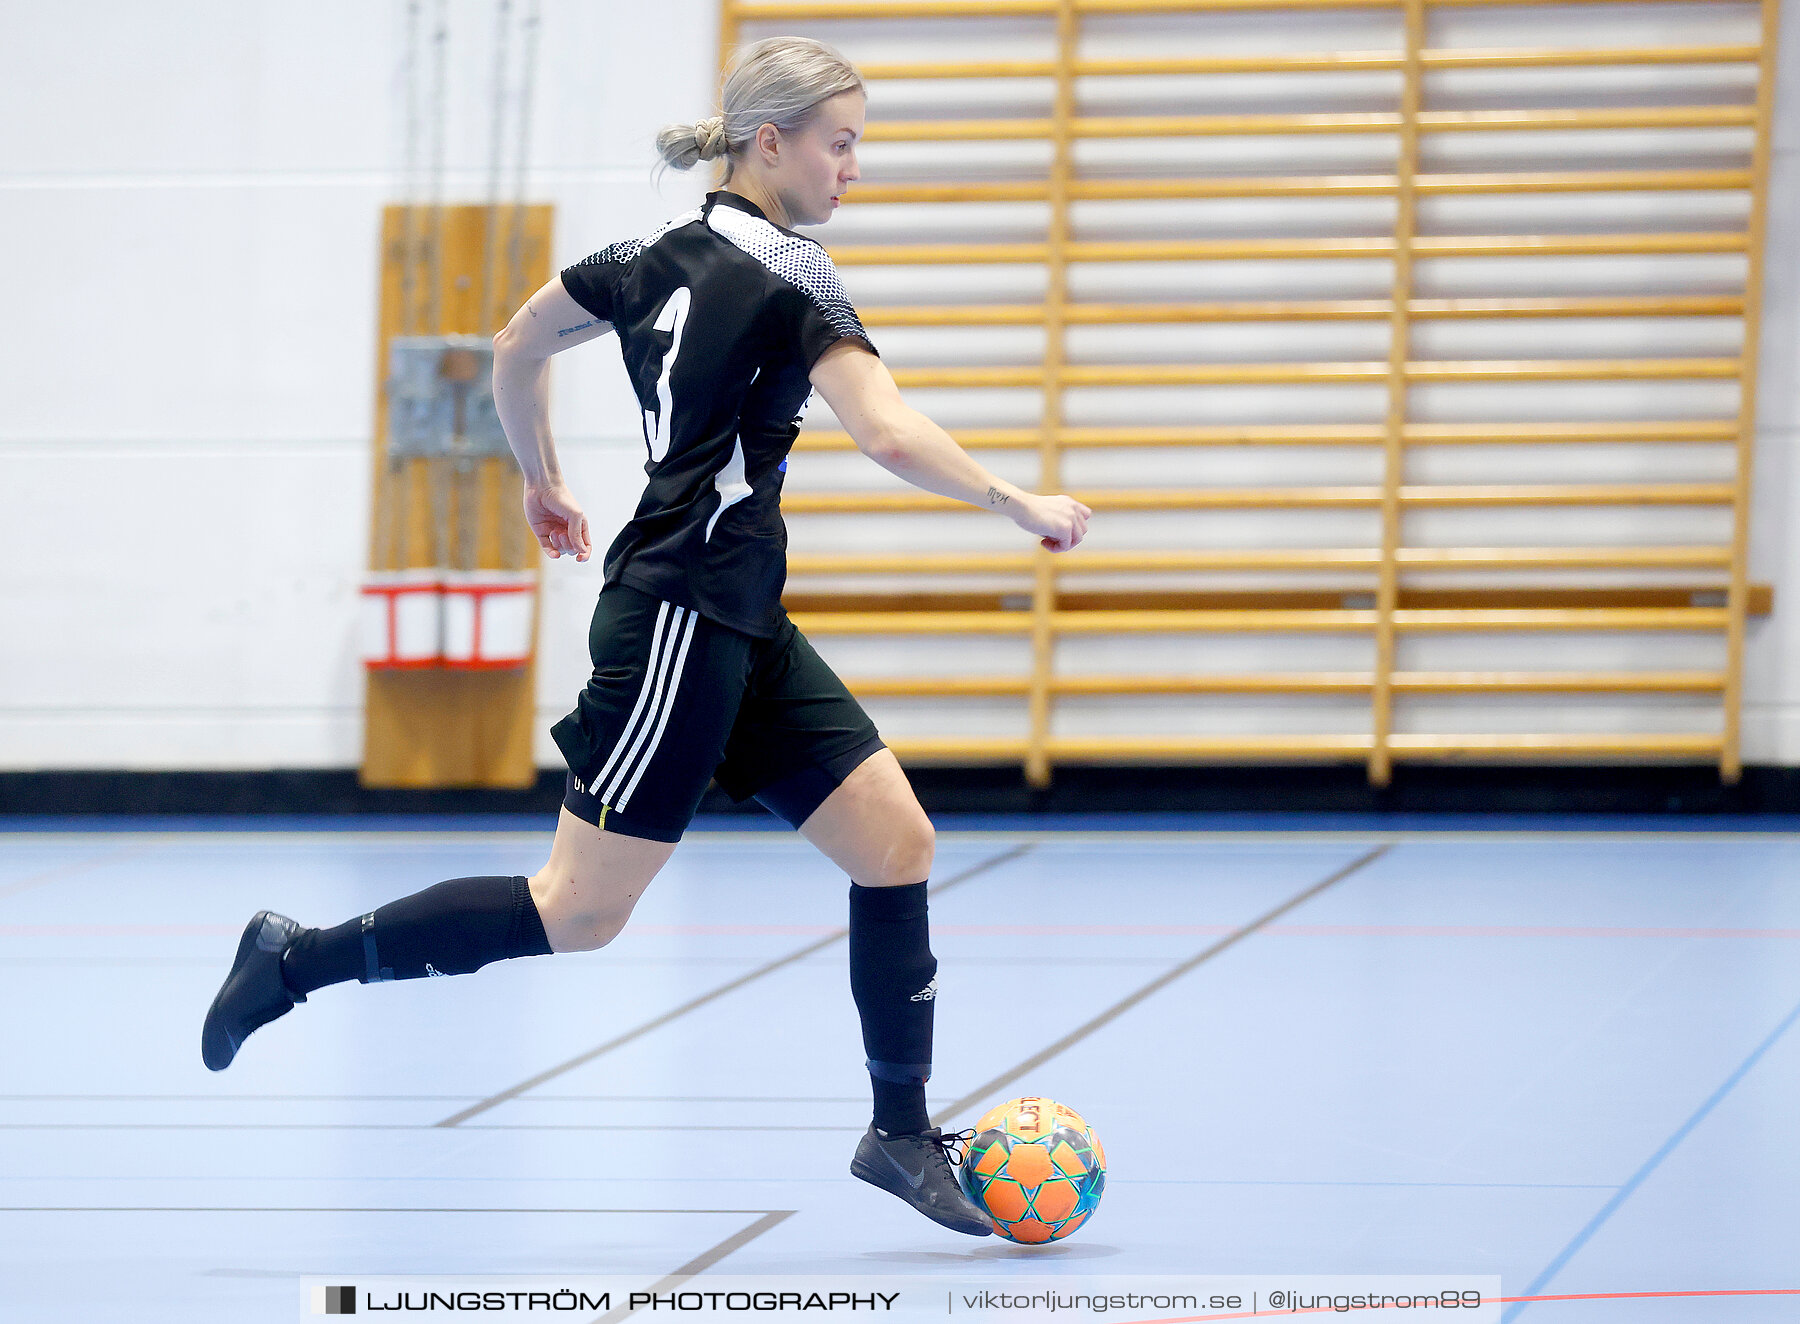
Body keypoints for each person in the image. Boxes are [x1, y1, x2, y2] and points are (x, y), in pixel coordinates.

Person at [201, 35, 1090, 1238]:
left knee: (897, 846)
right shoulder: (796, 276)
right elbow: (883, 432)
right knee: (579, 909)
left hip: (741, 616)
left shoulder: (639, 256)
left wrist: (541, 480)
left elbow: (513, 344)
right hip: (679, 617)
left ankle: (897, 1132)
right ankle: (294, 956)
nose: (854, 170)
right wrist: (1018, 501)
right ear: (768, 143)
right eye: (842, 144)